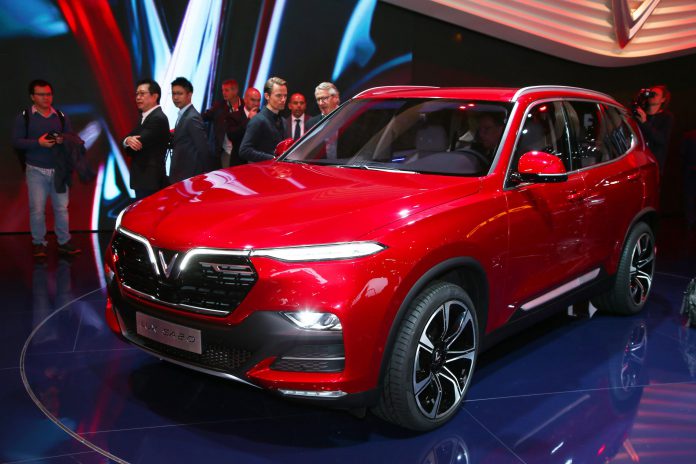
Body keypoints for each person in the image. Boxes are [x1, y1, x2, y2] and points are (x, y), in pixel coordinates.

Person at [11, 79, 81, 257]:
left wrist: (63, 139)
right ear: (32, 97)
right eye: (41, 94)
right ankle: (39, 243)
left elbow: (73, 138)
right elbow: (16, 142)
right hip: (35, 170)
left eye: (48, 94)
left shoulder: (61, 116)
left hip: (59, 170)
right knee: (37, 210)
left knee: (61, 209)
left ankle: (64, 242)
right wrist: (38, 143)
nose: (46, 98)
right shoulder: (24, 117)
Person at [123, 78, 170, 200]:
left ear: (154, 96)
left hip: (150, 181)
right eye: (137, 94)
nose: (138, 97)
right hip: (144, 180)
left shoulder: (157, 119)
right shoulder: (145, 117)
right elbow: (128, 138)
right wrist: (127, 140)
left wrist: (128, 141)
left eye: (142, 93)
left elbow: (133, 148)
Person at [168, 77, 209, 184]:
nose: (175, 97)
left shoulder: (192, 117)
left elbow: (203, 148)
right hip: (182, 174)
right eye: (173, 93)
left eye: (179, 93)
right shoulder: (184, 114)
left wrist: (204, 175)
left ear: (189, 95)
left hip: (188, 176)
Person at [239, 77, 287, 162]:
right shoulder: (258, 120)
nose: (283, 99)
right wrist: (272, 158)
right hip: (261, 168)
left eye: (285, 96)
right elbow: (244, 150)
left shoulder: (283, 121)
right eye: (279, 95)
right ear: (267, 96)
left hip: (277, 168)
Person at [634, 84, 674, 175]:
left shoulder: (666, 117)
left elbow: (661, 140)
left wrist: (644, 123)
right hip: (638, 161)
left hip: (654, 163)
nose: (652, 96)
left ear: (663, 99)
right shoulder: (639, 113)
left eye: (655, 94)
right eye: (650, 93)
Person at [202, 79, 242, 168]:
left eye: (226, 90)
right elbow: (204, 117)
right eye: (222, 90)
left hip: (239, 153)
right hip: (222, 152)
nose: (224, 93)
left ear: (235, 91)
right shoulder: (219, 106)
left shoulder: (244, 106)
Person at [226, 87, 261, 166]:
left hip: (258, 163)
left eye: (258, 100)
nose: (256, 103)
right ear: (245, 100)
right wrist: (249, 120)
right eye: (253, 100)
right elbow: (232, 136)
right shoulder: (234, 116)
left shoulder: (263, 116)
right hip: (239, 162)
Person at [683, 130, 696, 231]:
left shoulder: (689, 136)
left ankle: (690, 222)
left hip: (690, 170)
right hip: (690, 171)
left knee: (690, 197)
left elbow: (682, 153)